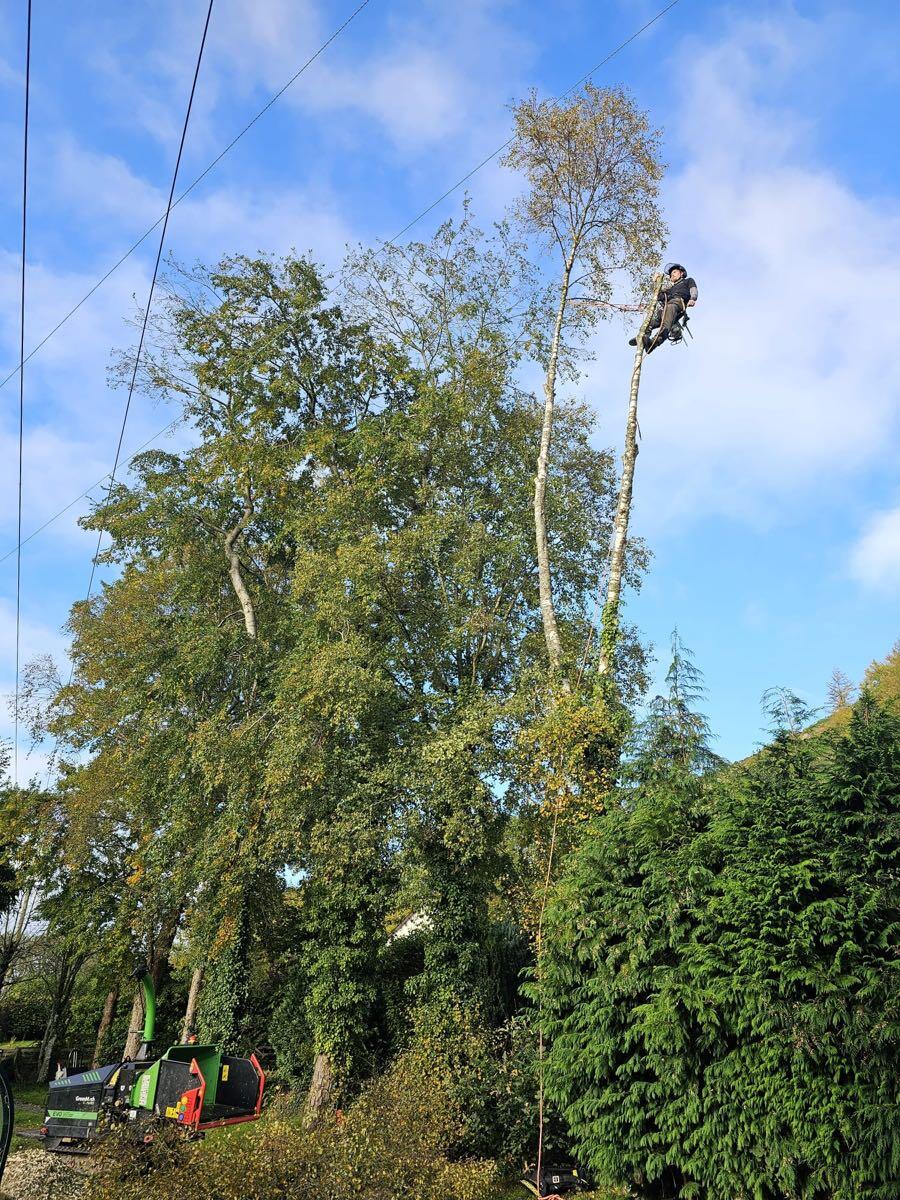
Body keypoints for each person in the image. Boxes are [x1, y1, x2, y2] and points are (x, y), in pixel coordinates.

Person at [629, 263, 698, 351]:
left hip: (676, 304)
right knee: (650, 322)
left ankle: (653, 344)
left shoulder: (687, 281)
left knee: (666, 326)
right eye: (671, 274)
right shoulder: (669, 289)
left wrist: (693, 299)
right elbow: (657, 295)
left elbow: (693, 289)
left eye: (675, 272)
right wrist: (655, 281)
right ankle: (643, 337)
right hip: (665, 308)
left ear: (681, 273)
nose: (672, 274)